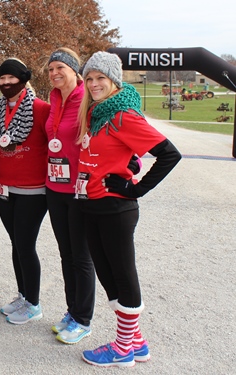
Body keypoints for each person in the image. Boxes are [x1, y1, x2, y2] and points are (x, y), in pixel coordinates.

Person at [76, 51, 181, 367]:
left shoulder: (123, 115)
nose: (94, 84)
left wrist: (135, 189)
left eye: (100, 78)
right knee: (108, 275)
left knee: (122, 276)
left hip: (115, 209)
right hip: (92, 205)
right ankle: (136, 342)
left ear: (114, 80)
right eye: (90, 78)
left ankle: (122, 349)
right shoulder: (97, 114)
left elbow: (169, 155)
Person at [0, 59, 50, 324]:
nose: (5, 83)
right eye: (1, 78)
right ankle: (23, 294)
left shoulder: (42, 109)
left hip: (33, 191)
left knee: (26, 246)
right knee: (17, 245)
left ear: (23, 79)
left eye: (11, 78)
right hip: (4, 189)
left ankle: (34, 303)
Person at [45, 47, 96, 343]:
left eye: (60, 68)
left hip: (80, 190)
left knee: (82, 256)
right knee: (66, 254)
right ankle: (71, 310)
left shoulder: (86, 101)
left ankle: (83, 319)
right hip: (55, 187)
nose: (54, 74)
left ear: (74, 71)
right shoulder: (53, 100)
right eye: (51, 69)